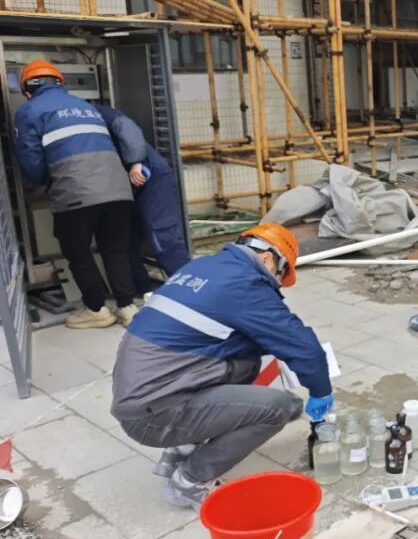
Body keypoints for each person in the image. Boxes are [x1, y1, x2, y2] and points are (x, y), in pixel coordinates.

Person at [110, 223, 335, 509]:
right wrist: (321, 391)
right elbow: (302, 346)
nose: (277, 283)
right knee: (275, 409)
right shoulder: (244, 284)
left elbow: (242, 337)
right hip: (153, 413)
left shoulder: (205, 267)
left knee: (247, 363)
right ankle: (189, 483)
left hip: (146, 393)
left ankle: (183, 447)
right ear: (268, 258)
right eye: (280, 274)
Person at [13, 59, 138, 329]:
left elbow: (30, 161)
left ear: (27, 90)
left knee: (77, 252)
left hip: (75, 192)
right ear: (60, 83)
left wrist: (39, 181)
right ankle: (127, 307)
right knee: (115, 251)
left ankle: (96, 309)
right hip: (118, 189)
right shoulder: (86, 106)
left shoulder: (29, 111)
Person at [97, 105, 191, 293]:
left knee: (163, 235)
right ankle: (140, 289)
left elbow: (127, 127)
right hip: (123, 185)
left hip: (149, 176)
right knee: (124, 238)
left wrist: (135, 161)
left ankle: (190, 287)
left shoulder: (99, 113)